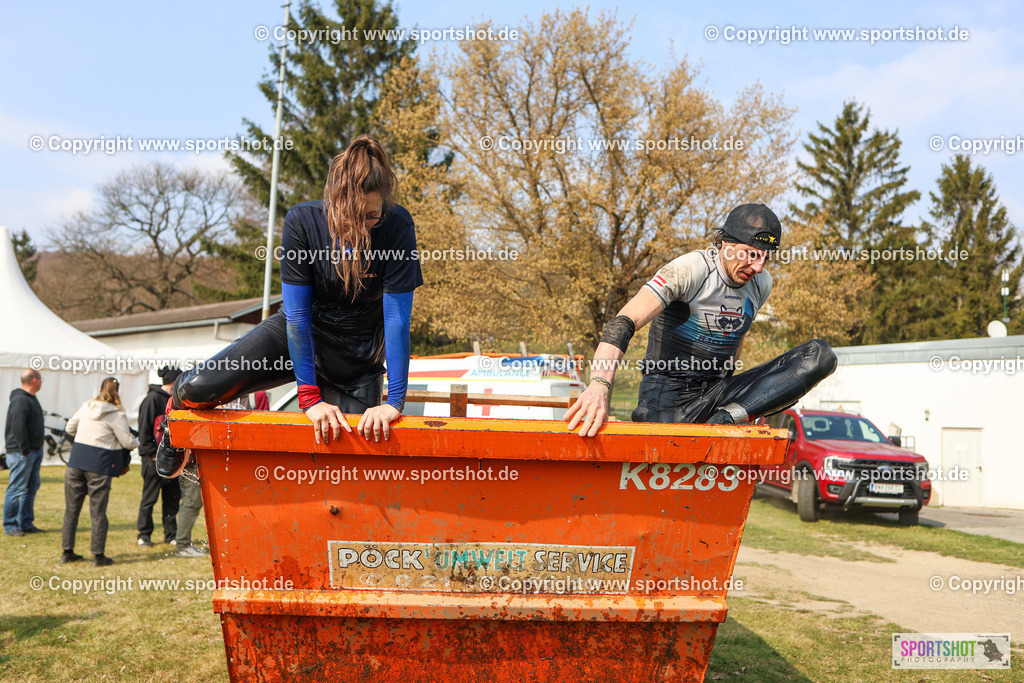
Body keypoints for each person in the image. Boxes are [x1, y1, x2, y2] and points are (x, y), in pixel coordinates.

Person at [156, 135, 423, 478]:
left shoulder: (398, 225)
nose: (363, 226)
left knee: (356, 468)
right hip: (298, 334)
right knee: (198, 388)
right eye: (354, 216)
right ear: (335, 202)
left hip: (358, 355)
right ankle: (174, 419)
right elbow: (296, 316)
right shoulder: (302, 221)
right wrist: (309, 397)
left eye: (372, 216)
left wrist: (393, 402)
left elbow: (397, 318)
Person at [566, 204, 838, 436]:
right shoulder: (691, 269)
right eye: (752, 254)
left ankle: (727, 418)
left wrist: (740, 399)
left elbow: (737, 336)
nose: (758, 267)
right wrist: (598, 385)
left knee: (821, 356)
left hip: (717, 396)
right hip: (668, 397)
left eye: (765, 257)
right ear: (726, 244)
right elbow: (623, 322)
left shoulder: (761, 283)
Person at [61, 377, 139, 566]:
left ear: (100, 388)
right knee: (98, 512)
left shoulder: (87, 406)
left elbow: (69, 427)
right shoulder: (116, 413)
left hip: (76, 461)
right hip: (100, 466)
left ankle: (67, 552)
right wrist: (138, 442)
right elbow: (128, 442)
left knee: (71, 510)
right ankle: (98, 555)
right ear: (117, 391)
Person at [135, 366, 182, 547]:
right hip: (153, 461)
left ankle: (171, 535)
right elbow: (144, 431)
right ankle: (144, 535)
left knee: (172, 500)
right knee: (149, 499)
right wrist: (153, 455)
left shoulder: (175, 401)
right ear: (173, 381)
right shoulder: (151, 400)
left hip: (173, 460)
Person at [3, 369, 45, 536]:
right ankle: (10, 525)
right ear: (35, 380)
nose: (42, 382)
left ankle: (25, 522)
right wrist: (25, 451)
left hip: (33, 451)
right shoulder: (21, 399)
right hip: (22, 453)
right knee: (17, 489)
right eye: (41, 379)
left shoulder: (30, 399)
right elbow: (18, 426)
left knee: (31, 487)